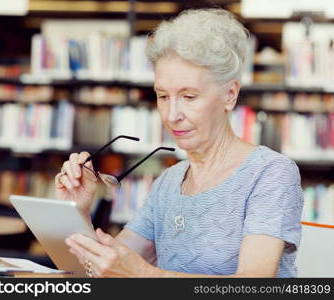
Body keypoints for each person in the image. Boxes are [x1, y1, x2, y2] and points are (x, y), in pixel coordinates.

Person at [55, 8, 304, 278]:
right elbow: (105, 269)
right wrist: (76, 212)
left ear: (229, 95)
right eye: (163, 97)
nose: (172, 116)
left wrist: (145, 276)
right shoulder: (169, 182)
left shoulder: (271, 173)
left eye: (189, 97)